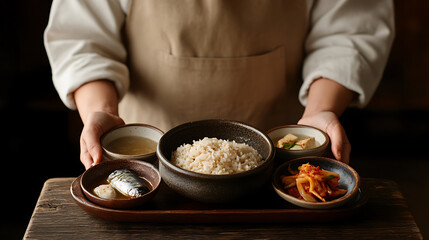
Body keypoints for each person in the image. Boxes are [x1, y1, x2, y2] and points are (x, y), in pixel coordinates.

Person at [44, 0, 394, 169]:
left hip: (282, 152)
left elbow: (350, 30)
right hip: (145, 158)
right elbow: (83, 36)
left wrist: (321, 111)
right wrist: (101, 113)